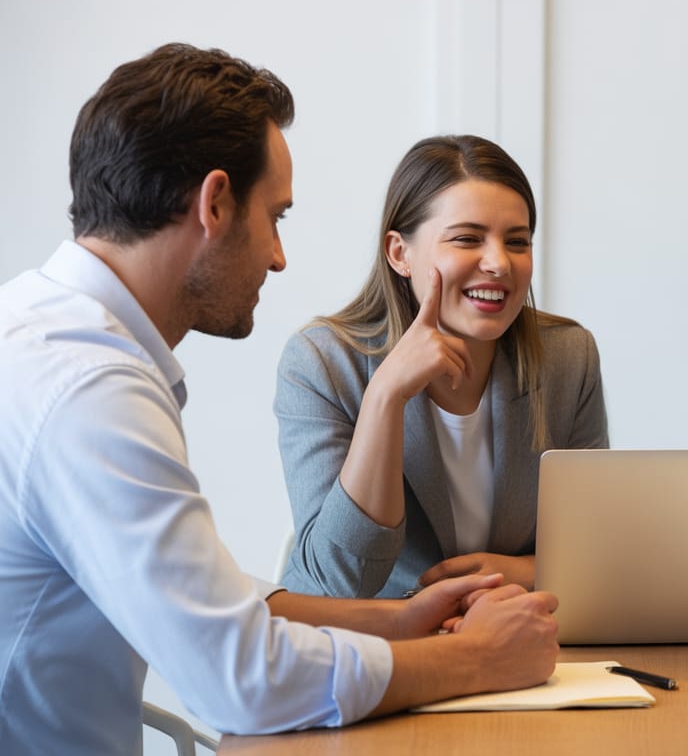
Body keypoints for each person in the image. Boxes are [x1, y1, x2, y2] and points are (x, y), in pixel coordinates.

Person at [0, 44, 560, 755]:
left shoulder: (44, 331)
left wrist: (402, 619)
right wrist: (477, 660)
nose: (278, 256)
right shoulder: (87, 389)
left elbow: (208, 594)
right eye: (276, 217)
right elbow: (242, 679)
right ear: (215, 203)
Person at [275, 135, 607, 599]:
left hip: (518, 642)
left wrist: (521, 572)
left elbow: (596, 551)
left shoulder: (569, 358)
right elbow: (335, 582)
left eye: (517, 241)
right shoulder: (322, 363)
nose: (498, 263)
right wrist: (385, 397)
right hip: (378, 651)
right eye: (467, 238)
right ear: (399, 254)